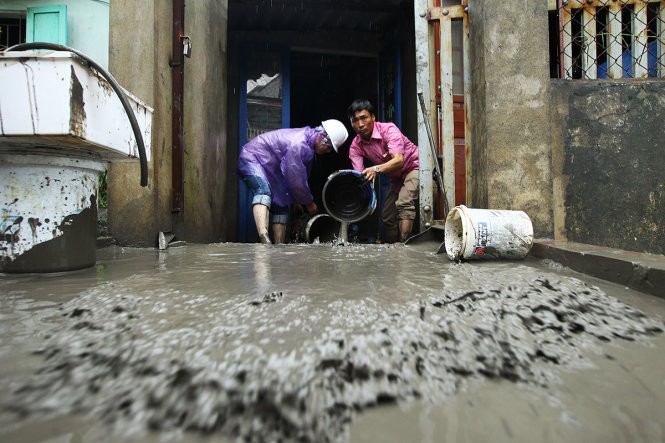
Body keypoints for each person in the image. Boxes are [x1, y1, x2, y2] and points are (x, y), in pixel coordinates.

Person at [237, 119, 349, 244]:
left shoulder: (308, 148)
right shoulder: (299, 144)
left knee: (282, 205)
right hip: (253, 157)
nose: (328, 151)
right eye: (328, 147)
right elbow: (296, 179)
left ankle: (279, 245)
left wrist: (296, 200)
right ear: (322, 138)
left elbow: (295, 176)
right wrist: (309, 203)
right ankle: (264, 238)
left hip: (270, 167)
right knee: (263, 190)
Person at [347, 99, 419, 243]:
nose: (360, 124)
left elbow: (399, 160)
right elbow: (360, 176)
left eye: (364, 118)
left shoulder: (388, 130)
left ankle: (403, 250)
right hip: (396, 178)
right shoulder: (355, 146)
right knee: (387, 216)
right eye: (355, 120)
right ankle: (393, 250)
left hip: (414, 166)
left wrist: (376, 169)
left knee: (404, 202)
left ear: (373, 117)